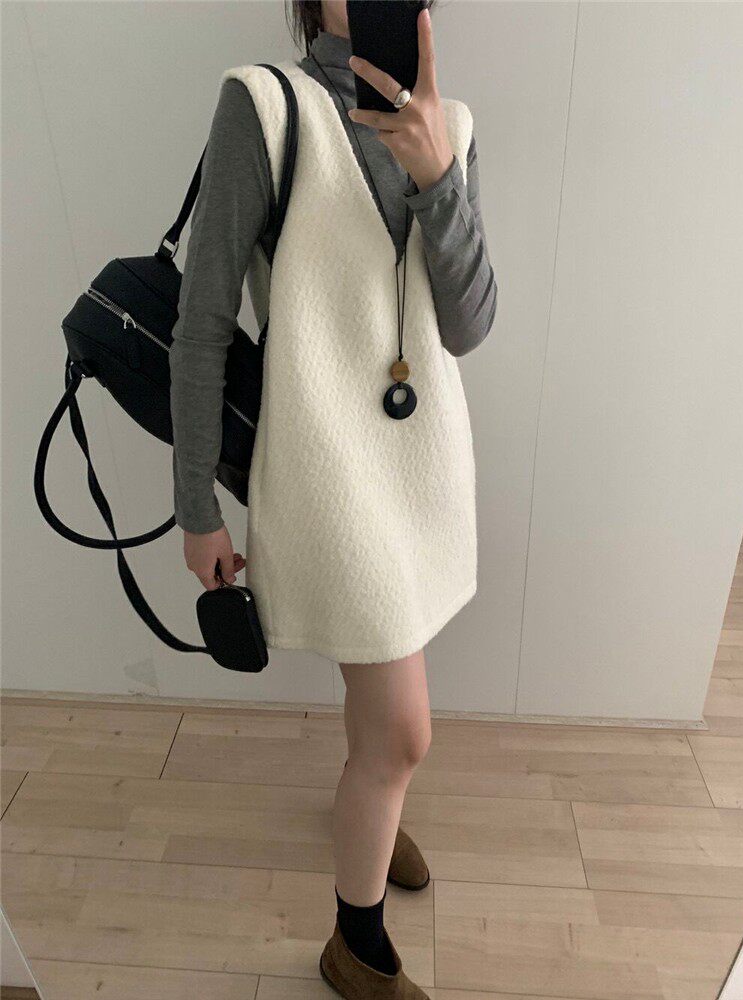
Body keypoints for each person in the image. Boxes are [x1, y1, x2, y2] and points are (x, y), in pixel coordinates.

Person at [169, 1, 497, 995]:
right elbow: (203, 318)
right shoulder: (265, 106)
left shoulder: (454, 125)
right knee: (405, 731)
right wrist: (196, 507)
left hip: (426, 466)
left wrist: (439, 178)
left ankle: (371, 804)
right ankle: (354, 944)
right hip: (329, 478)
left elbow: (470, 325)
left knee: (384, 704)